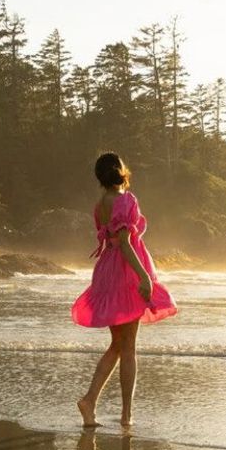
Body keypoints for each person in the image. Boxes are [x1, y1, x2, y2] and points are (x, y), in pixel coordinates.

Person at [72, 153, 177, 427]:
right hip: (126, 272)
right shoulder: (126, 200)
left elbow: (111, 241)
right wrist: (144, 277)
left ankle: (90, 401)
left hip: (107, 272)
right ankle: (126, 415)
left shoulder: (100, 205)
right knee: (128, 347)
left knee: (118, 345)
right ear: (121, 170)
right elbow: (125, 243)